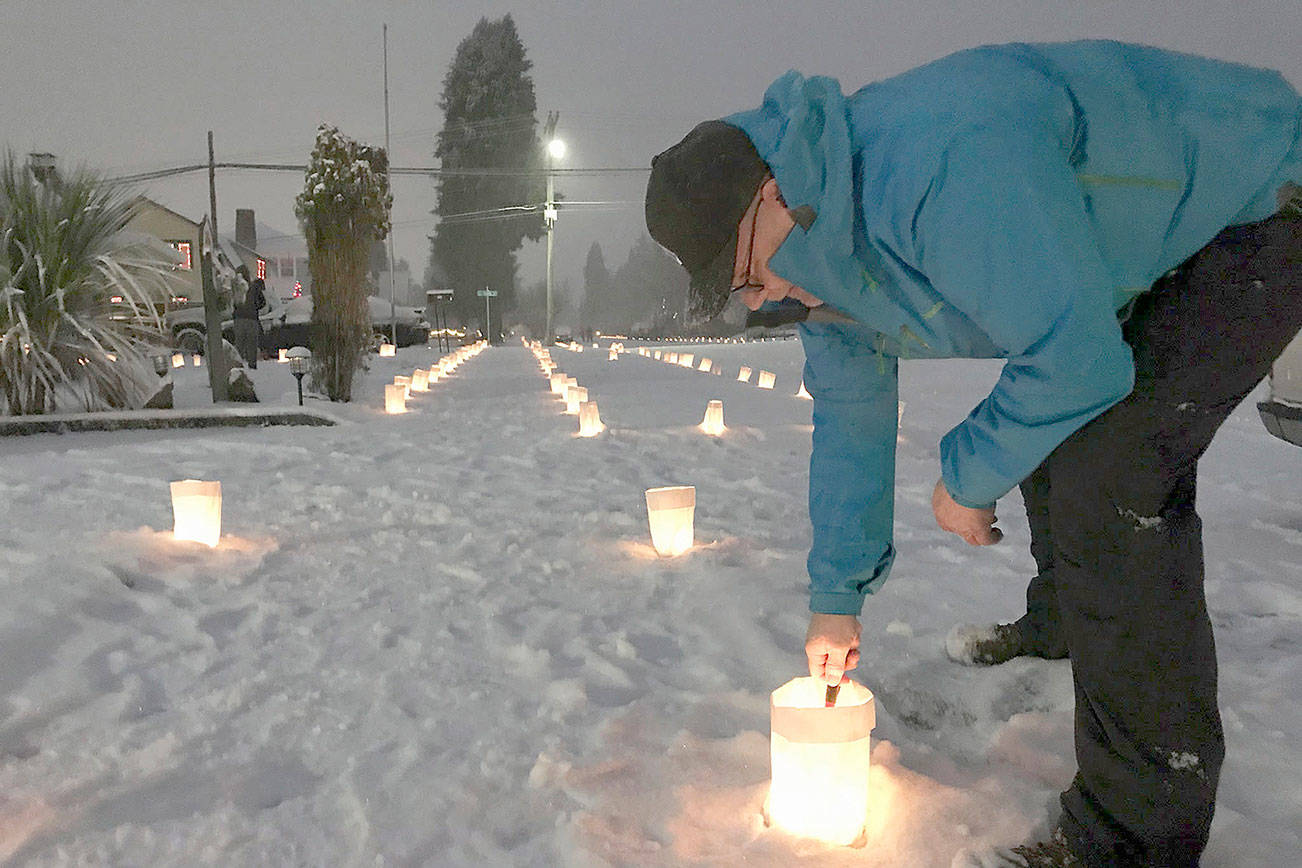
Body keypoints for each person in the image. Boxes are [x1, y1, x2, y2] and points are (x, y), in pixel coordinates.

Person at [644, 40, 1301, 866]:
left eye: (745, 270)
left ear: (771, 192)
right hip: (1142, 252)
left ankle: (1136, 833)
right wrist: (835, 596)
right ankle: (1065, 625)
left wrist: (966, 474)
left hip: (1257, 199)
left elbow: (1075, 359)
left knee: (1114, 475)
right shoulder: (819, 262)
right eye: (738, 293)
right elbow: (850, 420)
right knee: (1061, 433)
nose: (758, 296)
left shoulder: (935, 167)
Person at [232, 271, 266, 369]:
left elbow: (232, 301)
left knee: (239, 343)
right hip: (252, 319)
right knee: (252, 343)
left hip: (239, 319)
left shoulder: (236, 287)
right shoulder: (255, 287)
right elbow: (263, 302)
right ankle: (252, 363)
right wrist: (255, 307)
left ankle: (238, 364)